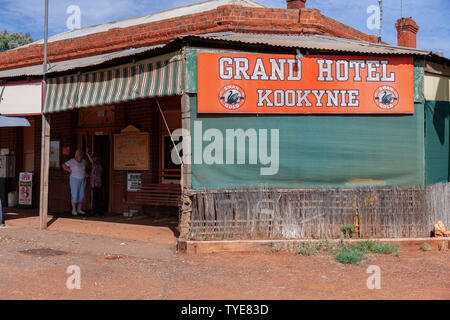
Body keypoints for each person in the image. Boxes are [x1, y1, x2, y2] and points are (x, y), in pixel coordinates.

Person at [62, 149, 88, 216]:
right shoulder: (72, 161)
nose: (80, 155)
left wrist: (85, 174)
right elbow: (63, 165)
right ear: (76, 155)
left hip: (83, 179)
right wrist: (69, 170)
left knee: (81, 194)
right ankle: (74, 210)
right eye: (79, 154)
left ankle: (79, 209)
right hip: (74, 179)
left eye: (81, 154)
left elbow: (84, 169)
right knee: (75, 193)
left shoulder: (84, 161)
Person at [86, 149, 103, 217]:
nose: (92, 158)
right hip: (97, 183)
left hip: (95, 183)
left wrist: (87, 153)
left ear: (95, 158)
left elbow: (91, 161)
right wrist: (89, 175)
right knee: (96, 198)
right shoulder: (99, 164)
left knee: (95, 198)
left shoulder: (95, 163)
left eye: (93, 157)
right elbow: (95, 174)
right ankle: (97, 211)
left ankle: (96, 212)